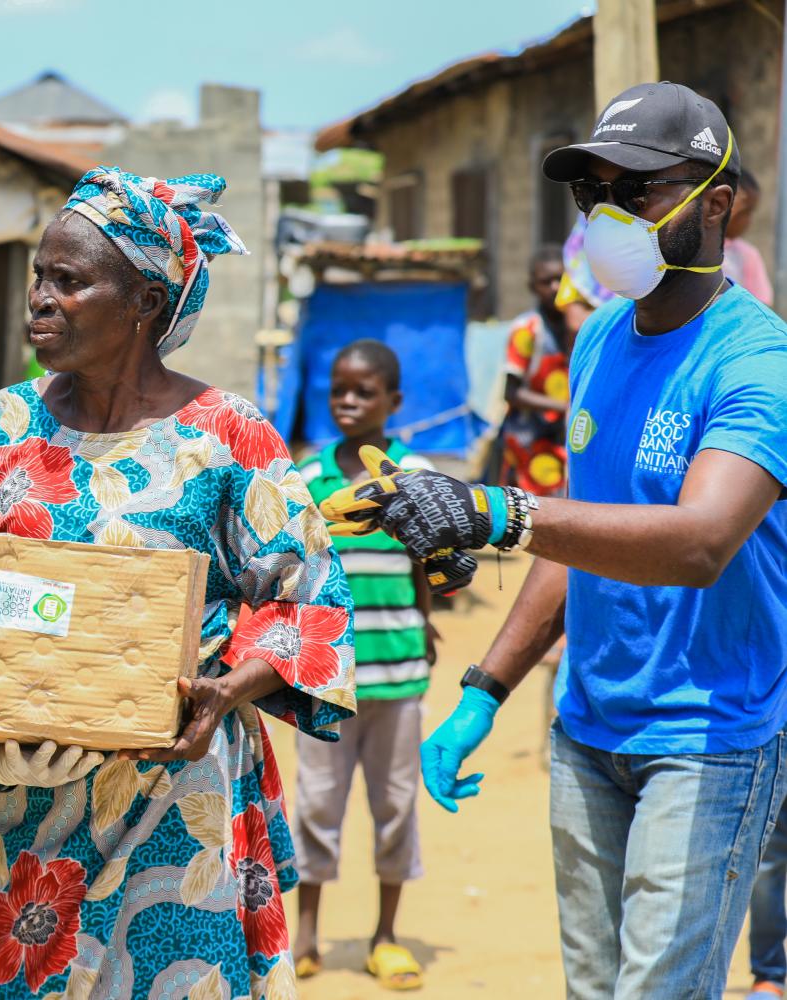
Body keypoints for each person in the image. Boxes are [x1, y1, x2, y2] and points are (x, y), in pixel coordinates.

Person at [321, 83, 787, 999]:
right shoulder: (601, 341)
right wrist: (483, 693)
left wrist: (497, 511)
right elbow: (581, 532)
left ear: (718, 204)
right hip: (587, 729)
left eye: (638, 191)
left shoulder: (757, 362)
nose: (608, 216)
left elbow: (698, 542)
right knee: (593, 989)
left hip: (709, 738)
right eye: (593, 194)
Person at [0, 166, 356, 998]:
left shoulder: (224, 434)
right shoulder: (4, 422)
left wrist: (224, 690)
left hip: (174, 808)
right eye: (41, 276)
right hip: (24, 812)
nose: (40, 297)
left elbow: (307, 603)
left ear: (146, 302)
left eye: (68, 281)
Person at [292, 340, 435, 991]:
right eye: (338, 390)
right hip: (326, 673)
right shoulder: (307, 476)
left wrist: (427, 618)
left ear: (394, 402)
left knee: (396, 804)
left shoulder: (415, 474)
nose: (349, 401)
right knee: (318, 804)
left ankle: (385, 935)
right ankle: (306, 935)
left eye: (365, 391)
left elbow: (427, 562)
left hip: (399, 667)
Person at [500, 245, 574, 497]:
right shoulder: (527, 329)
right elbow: (511, 393)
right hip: (532, 438)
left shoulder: (581, 324)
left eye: (561, 279)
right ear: (533, 287)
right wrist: (563, 407)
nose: (555, 287)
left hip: (568, 434)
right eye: (546, 282)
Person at [725, 170, 774, 305]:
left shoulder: (747, 254)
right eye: (744, 212)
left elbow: (762, 304)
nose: (748, 221)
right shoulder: (698, 248)